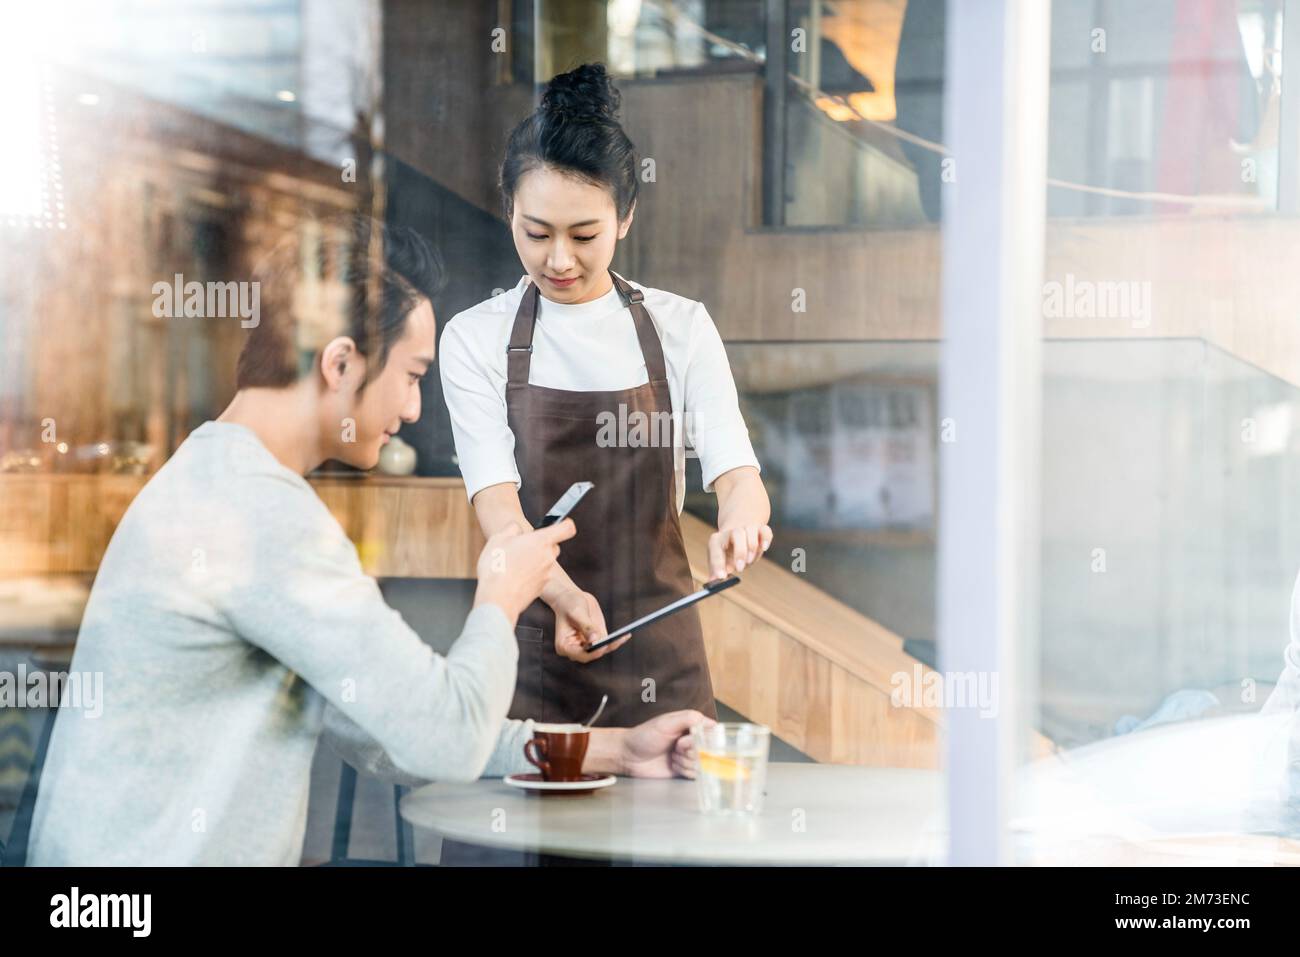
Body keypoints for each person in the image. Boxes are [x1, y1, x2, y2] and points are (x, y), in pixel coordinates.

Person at [25, 215, 708, 866]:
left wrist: (621, 752)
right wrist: (501, 596)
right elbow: (444, 735)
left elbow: (395, 730)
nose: (413, 410)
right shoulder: (258, 512)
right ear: (342, 363)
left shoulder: (218, 476)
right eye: (411, 375)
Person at [439, 63, 773, 730]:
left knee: (668, 828)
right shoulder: (474, 339)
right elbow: (503, 518)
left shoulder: (681, 329)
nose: (558, 259)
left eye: (583, 235)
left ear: (625, 217)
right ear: (508, 211)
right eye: (536, 232)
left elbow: (739, 476)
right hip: (530, 650)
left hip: (662, 652)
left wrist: (741, 520)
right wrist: (561, 594)